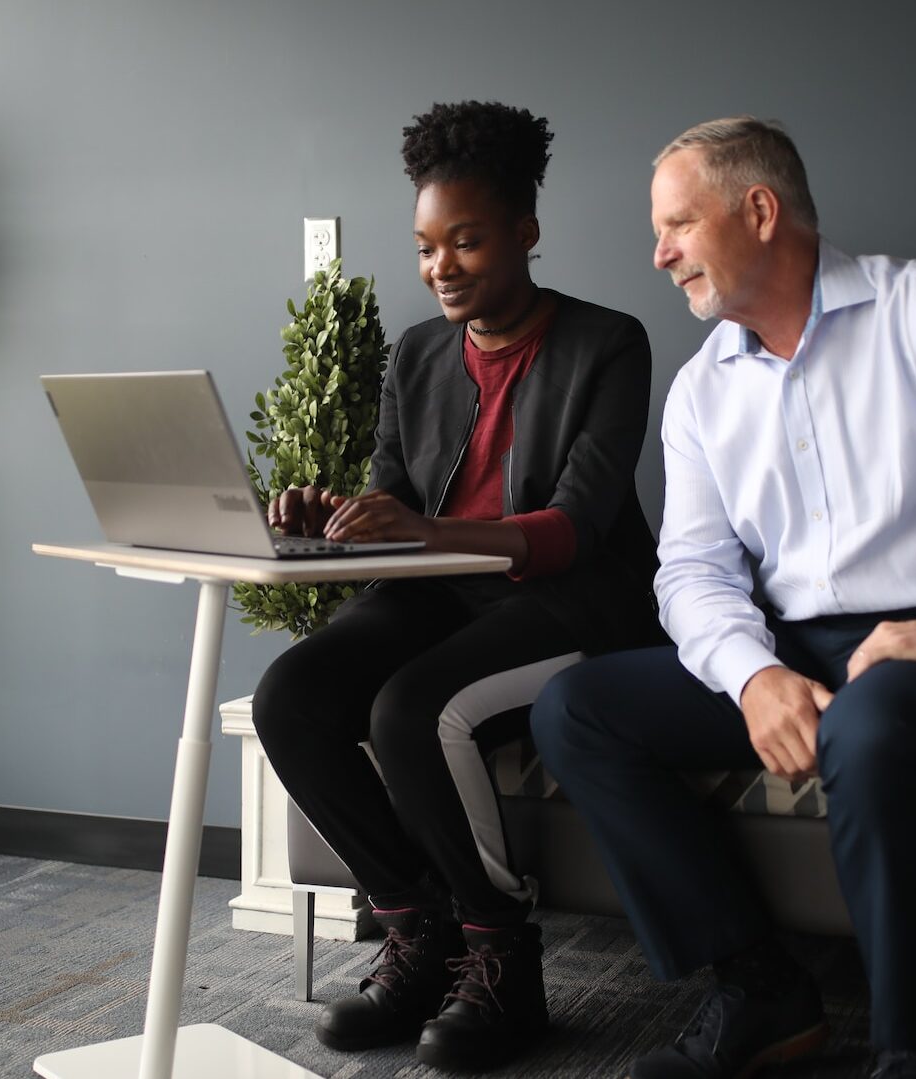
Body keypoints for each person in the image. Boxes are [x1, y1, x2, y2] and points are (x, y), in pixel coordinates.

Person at [530, 117, 916, 1079]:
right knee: (579, 709)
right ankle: (761, 989)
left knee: (871, 724)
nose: (659, 253)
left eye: (679, 224)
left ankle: (907, 1053)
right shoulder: (700, 392)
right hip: (800, 651)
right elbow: (691, 570)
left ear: (758, 211)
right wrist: (755, 674)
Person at [250, 99, 661, 1071]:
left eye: (466, 240)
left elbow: (573, 527)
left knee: (411, 709)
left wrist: (425, 527)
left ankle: (503, 957)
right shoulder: (419, 353)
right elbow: (394, 495)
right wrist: (332, 519)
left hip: (574, 602)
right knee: (291, 696)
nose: (441, 265)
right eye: (428, 245)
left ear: (526, 230)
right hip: (440, 592)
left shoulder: (609, 345)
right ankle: (415, 928)